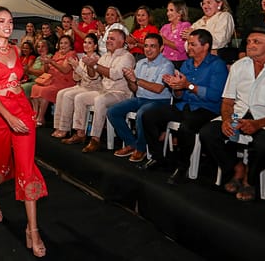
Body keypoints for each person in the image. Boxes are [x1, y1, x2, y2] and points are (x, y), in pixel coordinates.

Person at [0, 6, 47, 258]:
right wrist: (8, 117)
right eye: (2, 21)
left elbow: (17, 80)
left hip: (22, 110)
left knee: (27, 168)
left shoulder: (17, 50)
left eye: (10, 21)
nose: (7, 25)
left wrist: (22, 112)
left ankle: (33, 229)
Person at [199, 26, 265, 201]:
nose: (250, 45)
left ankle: (250, 180)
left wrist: (258, 124)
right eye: (249, 41)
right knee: (208, 133)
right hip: (239, 115)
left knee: (263, 144)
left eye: (256, 41)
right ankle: (236, 167)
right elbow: (228, 101)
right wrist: (227, 119)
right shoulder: (239, 66)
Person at [140, 29, 228, 185]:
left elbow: (214, 95)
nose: (189, 48)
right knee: (148, 115)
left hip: (206, 109)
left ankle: (182, 167)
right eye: (188, 44)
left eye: (193, 44)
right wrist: (176, 87)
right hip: (184, 106)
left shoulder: (217, 65)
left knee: (185, 127)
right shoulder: (187, 64)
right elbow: (179, 96)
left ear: (206, 46)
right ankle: (158, 157)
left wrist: (188, 85)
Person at [61, 28, 136, 153]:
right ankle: (80, 133)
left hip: (121, 93)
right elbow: (93, 75)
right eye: (108, 38)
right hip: (104, 90)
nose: (108, 41)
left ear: (122, 41)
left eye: (112, 38)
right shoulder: (105, 56)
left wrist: (94, 65)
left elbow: (114, 74)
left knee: (100, 100)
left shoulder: (127, 57)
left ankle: (95, 139)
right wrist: (90, 65)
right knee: (79, 98)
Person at [107, 33, 174, 163]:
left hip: (159, 101)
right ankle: (132, 143)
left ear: (161, 48)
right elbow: (135, 89)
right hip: (141, 98)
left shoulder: (167, 65)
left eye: (153, 46)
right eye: (146, 46)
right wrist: (130, 79)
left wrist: (136, 79)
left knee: (142, 114)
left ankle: (141, 149)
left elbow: (158, 89)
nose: (148, 49)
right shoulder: (141, 63)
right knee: (112, 111)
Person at [52, 33, 102, 139]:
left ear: (95, 46)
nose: (86, 45)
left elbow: (91, 78)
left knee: (68, 96)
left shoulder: (96, 59)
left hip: (94, 88)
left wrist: (76, 67)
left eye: (90, 43)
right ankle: (58, 126)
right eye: (85, 42)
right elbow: (77, 78)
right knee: (61, 93)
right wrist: (75, 68)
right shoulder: (83, 58)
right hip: (82, 86)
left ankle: (67, 128)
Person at [30, 35, 77, 126]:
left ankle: (41, 117)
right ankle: (35, 115)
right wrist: (46, 63)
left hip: (65, 82)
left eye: (66, 43)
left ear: (70, 46)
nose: (63, 45)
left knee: (44, 91)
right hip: (52, 80)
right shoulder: (57, 54)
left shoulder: (72, 54)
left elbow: (65, 70)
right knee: (35, 87)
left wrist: (51, 61)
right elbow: (47, 70)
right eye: (61, 43)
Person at [183, 0, 235, 64]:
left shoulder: (224, 16)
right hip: (198, 61)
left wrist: (194, 37)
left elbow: (220, 41)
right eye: (203, 3)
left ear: (219, 4)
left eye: (209, 3)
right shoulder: (199, 22)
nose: (205, 6)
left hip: (216, 61)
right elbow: (186, 45)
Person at [159, 0, 192, 70]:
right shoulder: (164, 27)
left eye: (171, 10)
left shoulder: (185, 26)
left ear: (180, 12)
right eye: (167, 10)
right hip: (164, 61)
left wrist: (165, 41)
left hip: (179, 62)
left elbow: (183, 47)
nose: (168, 13)